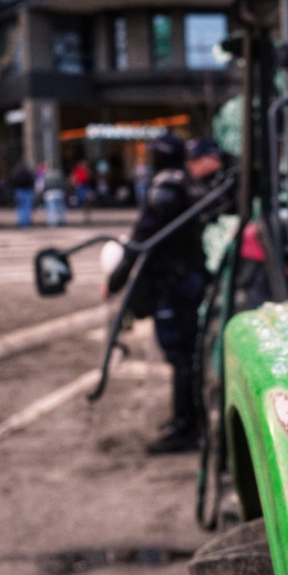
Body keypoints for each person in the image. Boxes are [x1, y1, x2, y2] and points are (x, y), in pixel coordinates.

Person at [104, 133, 207, 454]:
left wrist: (117, 279)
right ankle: (187, 420)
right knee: (186, 355)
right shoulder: (185, 184)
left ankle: (186, 426)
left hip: (175, 285)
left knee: (181, 356)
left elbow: (143, 237)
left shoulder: (168, 189)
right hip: (186, 281)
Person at [10, 160, 37, 228]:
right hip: (27, 191)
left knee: (20, 208)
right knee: (27, 208)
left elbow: (12, 181)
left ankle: (22, 222)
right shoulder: (28, 172)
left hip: (19, 191)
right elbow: (32, 181)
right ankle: (26, 223)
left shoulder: (16, 173)